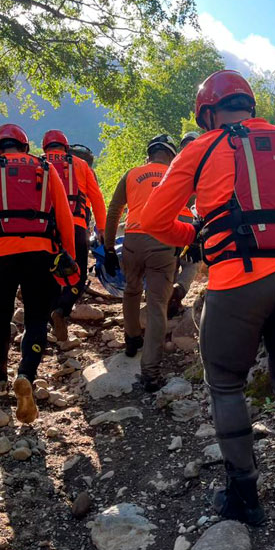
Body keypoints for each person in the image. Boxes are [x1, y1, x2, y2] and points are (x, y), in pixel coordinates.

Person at [139, 70, 275, 550]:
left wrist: (198, 238)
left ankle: (244, 496)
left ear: (207, 113)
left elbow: (150, 220)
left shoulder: (204, 146)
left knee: (225, 381)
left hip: (239, 278)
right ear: (250, 105)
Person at [0, 123, 76, 424]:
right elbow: (64, 215)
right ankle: (26, 373)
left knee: (1, 311)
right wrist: (69, 258)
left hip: (2, 252)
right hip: (41, 251)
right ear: (25, 147)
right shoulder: (45, 167)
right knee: (37, 316)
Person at [103, 134, 192, 392]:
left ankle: (131, 340)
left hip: (133, 241)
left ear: (149, 154)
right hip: (163, 244)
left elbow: (114, 210)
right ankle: (151, 374)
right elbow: (186, 216)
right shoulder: (176, 176)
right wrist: (188, 246)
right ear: (172, 156)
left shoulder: (132, 174)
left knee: (131, 290)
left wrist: (109, 248)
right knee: (156, 305)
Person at [42, 130, 107, 342]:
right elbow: (97, 199)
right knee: (77, 276)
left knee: (50, 275)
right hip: (76, 225)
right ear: (66, 147)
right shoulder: (81, 165)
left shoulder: (37, 163)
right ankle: (61, 310)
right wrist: (102, 229)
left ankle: (52, 320)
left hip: (46, 229)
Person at [167, 131, 203, 318]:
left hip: (171, 222)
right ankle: (178, 293)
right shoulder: (206, 164)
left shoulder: (173, 165)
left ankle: (166, 299)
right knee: (190, 265)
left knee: (171, 263)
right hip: (193, 223)